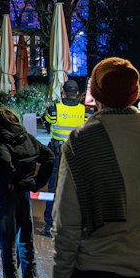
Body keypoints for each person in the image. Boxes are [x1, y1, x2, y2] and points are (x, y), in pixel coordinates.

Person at [51, 58, 140, 278]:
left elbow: (66, 221)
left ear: (95, 94)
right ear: (135, 93)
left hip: (97, 275)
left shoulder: (82, 141)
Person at [0, 106, 54, 278]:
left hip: (8, 197)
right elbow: (49, 157)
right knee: (26, 242)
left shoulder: (0, 141)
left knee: (8, 246)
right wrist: (35, 183)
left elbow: (4, 166)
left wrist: (6, 186)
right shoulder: (27, 138)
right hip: (24, 195)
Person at [39, 79, 88, 236]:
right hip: (76, 154)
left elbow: (47, 123)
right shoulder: (84, 111)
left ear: (64, 93)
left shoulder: (54, 109)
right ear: (77, 94)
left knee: (53, 189)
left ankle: (49, 225)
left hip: (57, 152)